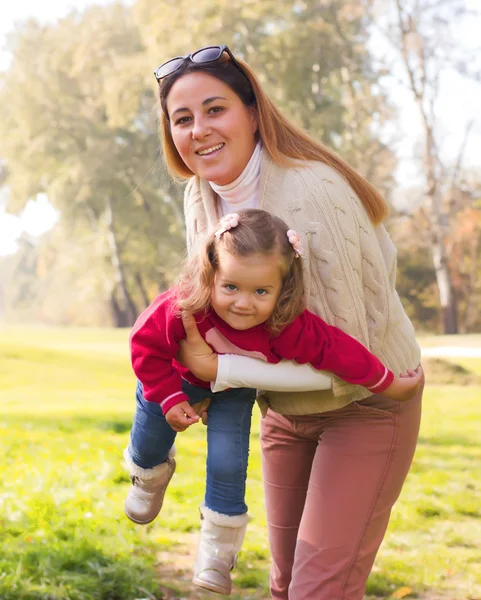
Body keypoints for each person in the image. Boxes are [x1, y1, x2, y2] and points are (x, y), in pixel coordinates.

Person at [131, 44, 423, 599]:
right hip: (285, 409)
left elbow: (348, 362)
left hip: (369, 402)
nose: (199, 131)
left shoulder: (315, 193)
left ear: (251, 111)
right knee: (286, 587)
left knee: (320, 590)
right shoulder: (201, 194)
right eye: (182, 119)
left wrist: (223, 369)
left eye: (215, 110)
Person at [125, 209, 421, 596]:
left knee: (228, 463)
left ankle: (217, 553)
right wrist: (168, 398)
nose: (243, 303)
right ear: (211, 274)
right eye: (230, 287)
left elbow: (336, 351)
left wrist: (388, 383)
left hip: (231, 394)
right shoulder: (184, 306)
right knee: (150, 438)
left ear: (282, 289)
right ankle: (148, 476)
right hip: (170, 380)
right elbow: (143, 345)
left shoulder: (284, 326)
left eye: (260, 291)